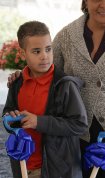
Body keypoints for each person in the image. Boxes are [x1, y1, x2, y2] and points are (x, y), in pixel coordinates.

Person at [7, 0, 105, 178]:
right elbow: (47, 71)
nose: (104, 4)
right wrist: (23, 74)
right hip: (78, 137)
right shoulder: (66, 36)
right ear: (85, 2)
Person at [3, 21, 88, 178]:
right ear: (22, 54)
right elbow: (8, 110)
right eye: (36, 51)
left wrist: (39, 122)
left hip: (57, 170)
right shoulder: (17, 83)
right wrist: (9, 118)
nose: (45, 56)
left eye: (48, 49)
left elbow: (79, 125)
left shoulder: (65, 85)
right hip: (22, 165)